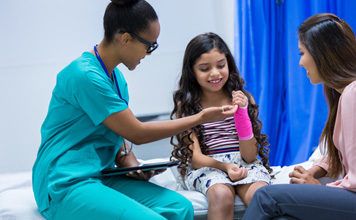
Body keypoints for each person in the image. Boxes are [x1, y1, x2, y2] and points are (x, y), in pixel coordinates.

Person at [32, 1, 238, 220]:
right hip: (65, 182)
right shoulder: (84, 76)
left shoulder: (116, 78)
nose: (149, 53)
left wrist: (128, 161)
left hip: (100, 174)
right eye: (149, 45)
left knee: (179, 207)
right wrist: (200, 117)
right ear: (126, 38)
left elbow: (115, 130)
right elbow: (137, 133)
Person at [242, 13, 356, 220]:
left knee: (266, 197)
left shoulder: (353, 94)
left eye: (302, 53)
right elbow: (345, 155)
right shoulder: (342, 95)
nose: (301, 63)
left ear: (323, 53)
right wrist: (316, 170)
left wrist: (320, 190)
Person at [170, 32, 272, 220]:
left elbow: (249, 156)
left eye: (221, 65)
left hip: (243, 163)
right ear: (192, 71)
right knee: (221, 195)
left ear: (229, 64)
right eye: (205, 68)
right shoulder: (187, 106)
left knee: (261, 196)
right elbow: (196, 158)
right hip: (209, 166)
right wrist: (225, 167)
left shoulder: (244, 99)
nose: (215, 73)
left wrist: (242, 113)